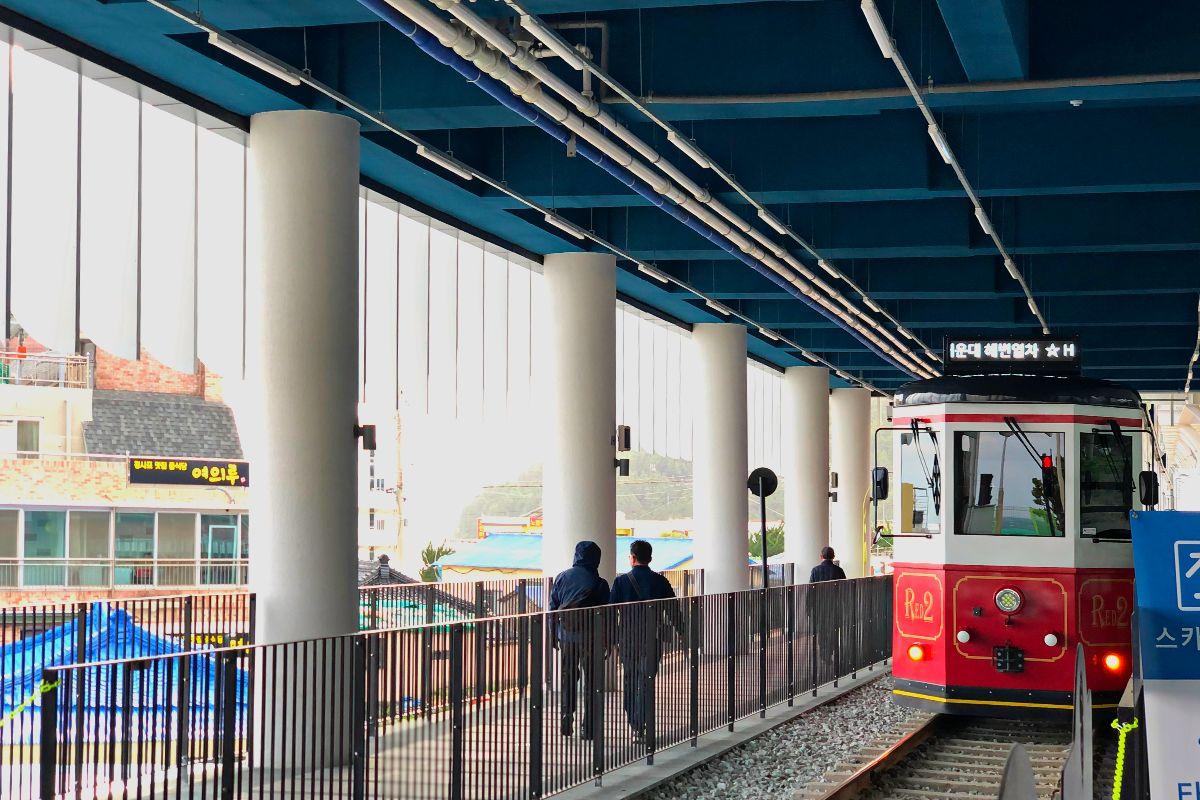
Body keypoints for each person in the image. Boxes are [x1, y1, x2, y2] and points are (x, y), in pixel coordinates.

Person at [610, 539, 683, 743]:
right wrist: (682, 631)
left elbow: (609, 612)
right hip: (652, 638)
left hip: (628, 639)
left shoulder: (621, 582)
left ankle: (635, 724)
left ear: (632, 558)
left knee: (630, 680)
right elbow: (674, 610)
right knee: (646, 681)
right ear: (650, 558)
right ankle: (642, 724)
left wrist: (609, 638)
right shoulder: (661, 581)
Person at [548, 540, 610, 738]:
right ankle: (589, 727)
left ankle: (567, 718)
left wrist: (553, 634)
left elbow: (553, 608)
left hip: (566, 636)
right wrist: (608, 640)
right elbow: (606, 614)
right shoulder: (599, 583)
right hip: (591, 639)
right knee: (592, 682)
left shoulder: (562, 577)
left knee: (568, 678)